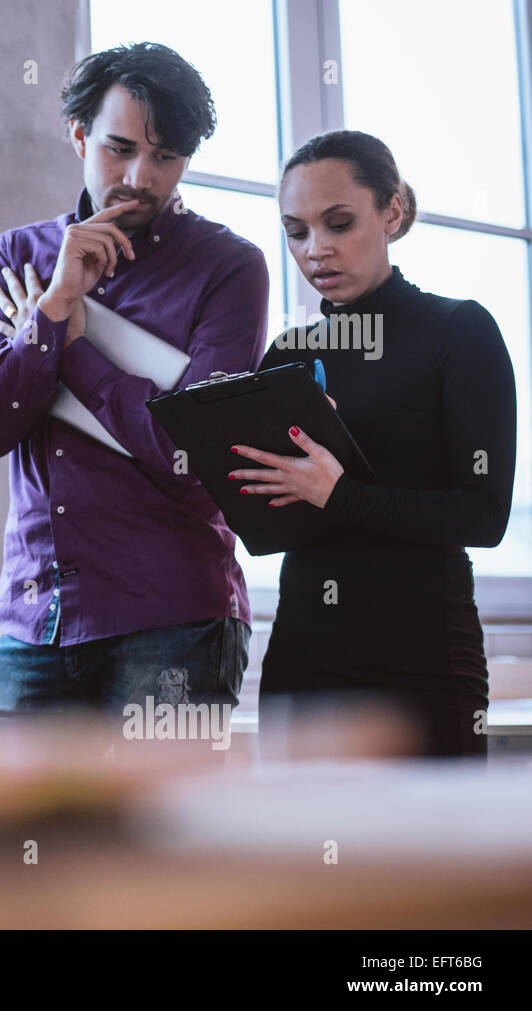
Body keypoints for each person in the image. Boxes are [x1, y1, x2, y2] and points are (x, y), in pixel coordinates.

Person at [0, 42, 269, 745]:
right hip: (35, 619)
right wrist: (56, 302)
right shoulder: (21, 258)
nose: (139, 177)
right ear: (78, 136)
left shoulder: (231, 269)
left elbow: (189, 449)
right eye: (120, 148)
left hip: (175, 620)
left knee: (154, 856)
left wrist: (72, 343)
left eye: (167, 156)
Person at [232, 130, 516, 757]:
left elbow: (484, 516)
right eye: (297, 231)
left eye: (339, 223)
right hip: (304, 658)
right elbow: (268, 525)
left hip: (423, 665)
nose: (317, 250)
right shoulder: (289, 354)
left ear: (391, 211)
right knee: (298, 855)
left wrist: (341, 492)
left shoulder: (459, 330)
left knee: (431, 856)